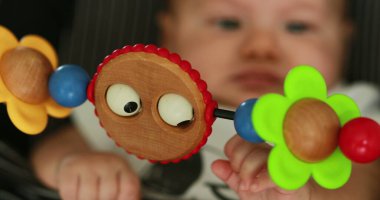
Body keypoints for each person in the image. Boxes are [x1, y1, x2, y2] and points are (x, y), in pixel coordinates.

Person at [31, 0, 380, 200]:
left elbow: (364, 182)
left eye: (299, 27)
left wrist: (307, 194)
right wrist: (74, 163)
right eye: (228, 23)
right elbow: (55, 144)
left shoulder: (344, 112)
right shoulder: (140, 99)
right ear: (171, 33)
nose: (260, 48)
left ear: (344, 39)